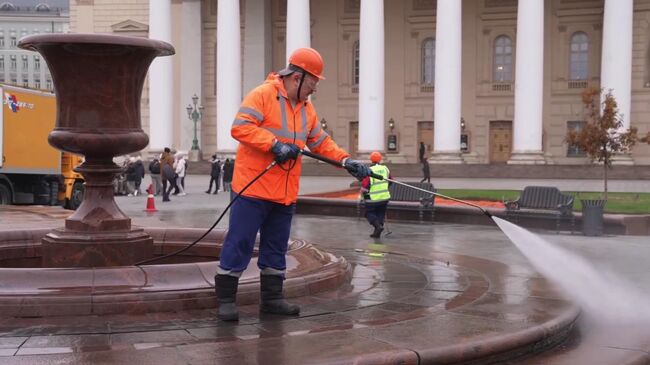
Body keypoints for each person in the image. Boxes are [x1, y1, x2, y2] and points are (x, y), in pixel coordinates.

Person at [214, 47, 371, 321]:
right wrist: (274, 145)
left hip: (284, 192)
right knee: (239, 242)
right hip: (253, 187)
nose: (315, 89)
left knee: (276, 247)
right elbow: (240, 127)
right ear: (297, 77)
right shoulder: (262, 95)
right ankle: (226, 300)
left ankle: (272, 299)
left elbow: (321, 143)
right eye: (313, 82)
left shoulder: (307, 109)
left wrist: (346, 161)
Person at [360, 151, 392, 238]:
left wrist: (363, 193)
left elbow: (365, 185)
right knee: (380, 213)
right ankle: (377, 231)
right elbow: (390, 180)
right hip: (384, 197)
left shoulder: (369, 170)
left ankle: (378, 227)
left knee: (369, 213)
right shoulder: (385, 169)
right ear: (380, 159)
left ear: (371, 160)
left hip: (373, 197)